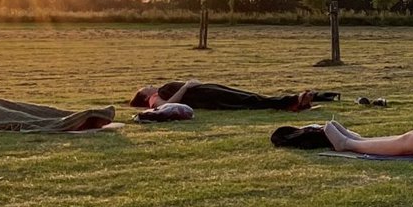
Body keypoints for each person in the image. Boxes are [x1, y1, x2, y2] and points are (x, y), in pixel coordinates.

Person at [130, 80, 326, 112]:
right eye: (145, 87)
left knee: (248, 96)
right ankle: (293, 101)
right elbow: (164, 107)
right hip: (203, 95)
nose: (149, 85)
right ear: (144, 95)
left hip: (205, 89)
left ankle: (293, 102)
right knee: (246, 100)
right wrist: (186, 86)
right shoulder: (153, 98)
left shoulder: (158, 90)